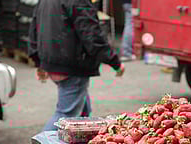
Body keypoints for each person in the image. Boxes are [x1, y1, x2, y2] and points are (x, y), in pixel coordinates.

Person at [28, 0, 125, 132]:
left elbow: (34, 27)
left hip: (55, 62)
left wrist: (39, 61)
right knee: (66, 116)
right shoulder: (78, 1)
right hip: (72, 66)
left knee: (83, 112)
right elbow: (93, 36)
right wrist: (115, 63)